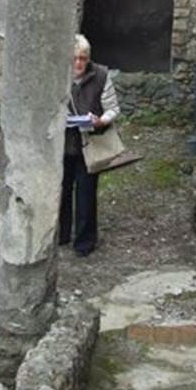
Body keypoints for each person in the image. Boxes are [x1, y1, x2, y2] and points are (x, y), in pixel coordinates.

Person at [59, 34, 120, 257]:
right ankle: (61, 235)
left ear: (88, 59)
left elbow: (113, 108)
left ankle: (84, 242)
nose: (78, 63)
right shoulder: (57, 76)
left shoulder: (101, 76)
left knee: (86, 194)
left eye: (83, 59)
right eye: (74, 58)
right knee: (61, 191)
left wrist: (100, 120)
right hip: (62, 144)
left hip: (89, 144)